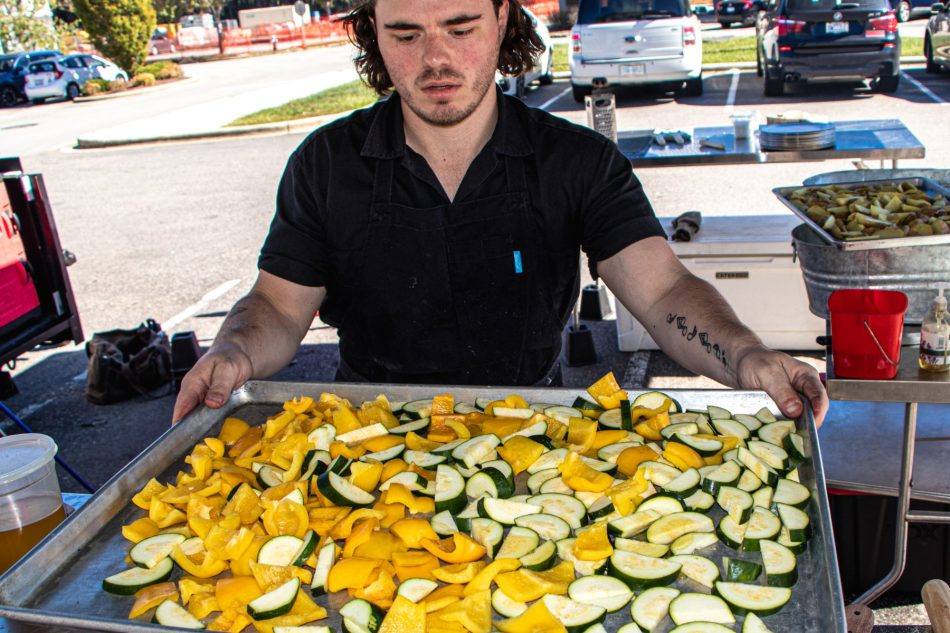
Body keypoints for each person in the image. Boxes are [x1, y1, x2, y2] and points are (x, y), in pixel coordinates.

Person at [172, 0, 828, 426]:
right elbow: (279, 308)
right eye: (406, 34)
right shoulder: (325, 164)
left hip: (533, 424)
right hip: (364, 430)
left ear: (502, 19)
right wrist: (233, 350)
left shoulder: (579, 162)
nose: (435, 59)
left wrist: (746, 355)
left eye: (460, 28)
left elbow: (661, 290)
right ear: (373, 29)